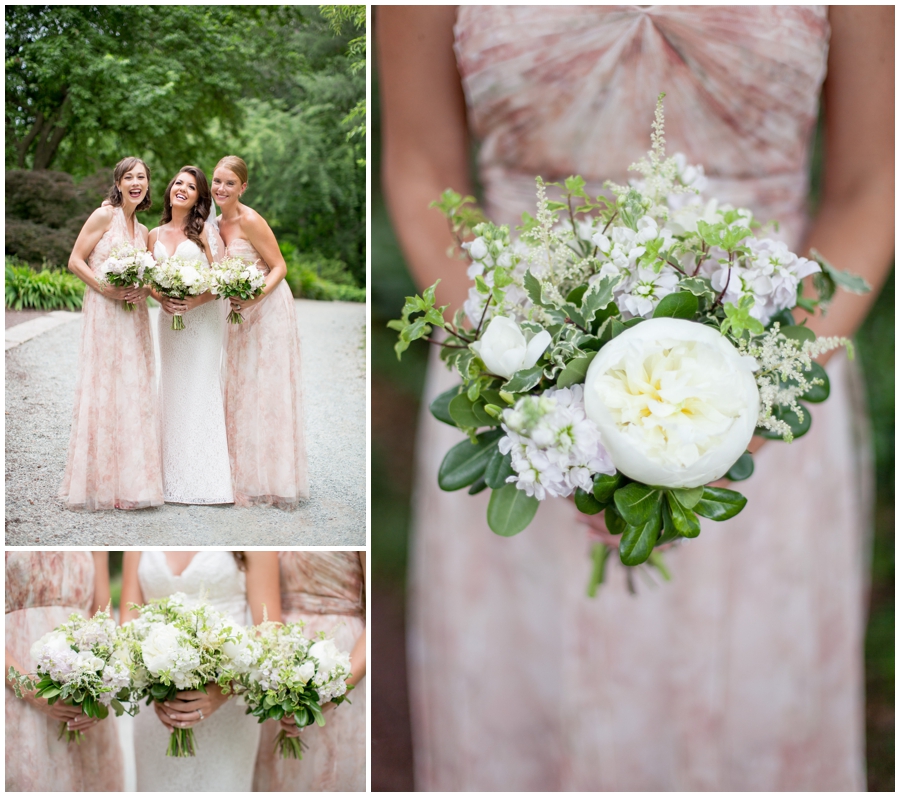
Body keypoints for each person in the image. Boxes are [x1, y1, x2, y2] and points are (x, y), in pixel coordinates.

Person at [378, 6, 893, 791]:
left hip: (766, 379)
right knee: (529, 721)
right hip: (519, 403)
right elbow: (422, 169)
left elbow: (871, 181)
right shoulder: (523, 393)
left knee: (749, 713)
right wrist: (533, 389)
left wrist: (754, 393)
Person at [120, 550, 281, 792]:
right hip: (157, 706)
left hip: (228, 704)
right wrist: (151, 683)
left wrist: (224, 690)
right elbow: (128, 621)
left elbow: (269, 631)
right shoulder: (135, 543)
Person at [60, 157, 164, 510]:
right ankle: (98, 484)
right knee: (104, 389)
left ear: (148, 185)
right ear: (118, 183)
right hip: (105, 313)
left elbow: (147, 278)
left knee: (133, 391)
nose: (136, 182)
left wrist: (146, 289)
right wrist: (105, 288)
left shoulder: (145, 230)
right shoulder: (104, 215)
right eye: (129, 177)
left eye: (142, 177)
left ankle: (133, 484)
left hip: (134, 318)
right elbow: (75, 260)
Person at [212, 156, 309, 508]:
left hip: (267, 310)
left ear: (243, 187)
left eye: (229, 183)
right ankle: (241, 474)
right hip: (235, 313)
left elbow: (279, 266)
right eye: (217, 181)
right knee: (239, 387)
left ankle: (275, 478)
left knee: (266, 389)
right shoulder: (212, 223)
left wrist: (253, 298)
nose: (221, 188)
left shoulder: (251, 220)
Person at [149, 166, 234, 505]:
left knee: (200, 387)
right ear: (171, 189)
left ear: (200, 197)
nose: (183, 189)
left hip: (203, 321)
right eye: (179, 183)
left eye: (191, 186)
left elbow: (223, 279)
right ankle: (170, 477)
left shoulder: (207, 234)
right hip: (169, 323)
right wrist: (164, 299)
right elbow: (148, 279)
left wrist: (193, 300)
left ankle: (207, 481)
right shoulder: (152, 235)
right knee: (173, 388)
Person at [5, 551, 124, 790]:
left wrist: (101, 689)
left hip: (87, 693)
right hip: (15, 685)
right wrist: (30, 690)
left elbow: (103, 612)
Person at [253, 551, 366, 791]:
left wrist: (335, 688)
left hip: (344, 655)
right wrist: (277, 680)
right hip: (281, 654)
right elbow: (266, 619)